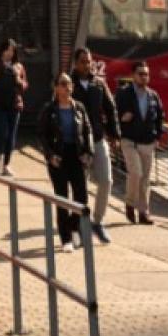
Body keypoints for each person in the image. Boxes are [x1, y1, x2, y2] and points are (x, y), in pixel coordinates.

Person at [37, 73, 93, 253]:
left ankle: (75, 228)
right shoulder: (49, 109)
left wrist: (88, 152)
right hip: (59, 157)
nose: (67, 87)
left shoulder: (79, 108)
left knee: (81, 198)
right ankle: (66, 238)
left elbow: (87, 131)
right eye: (63, 84)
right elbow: (42, 135)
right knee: (62, 197)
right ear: (55, 88)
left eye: (69, 84)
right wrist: (50, 155)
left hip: (77, 156)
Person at [70, 47, 119, 244]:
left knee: (106, 181)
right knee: (80, 187)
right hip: (77, 143)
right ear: (75, 63)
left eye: (89, 61)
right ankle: (80, 224)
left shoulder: (99, 84)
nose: (87, 65)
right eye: (82, 61)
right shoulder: (69, 84)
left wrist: (114, 134)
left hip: (98, 139)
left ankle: (98, 221)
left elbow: (111, 108)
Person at [115, 61, 164, 224]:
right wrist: (122, 119)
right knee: (136, 173)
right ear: (133, 76)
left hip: (148, 142)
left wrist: (158, 137)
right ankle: (130, 203)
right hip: (129, 140)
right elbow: (114, 112)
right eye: (141, 74)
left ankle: (144, 212)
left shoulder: (153, 95)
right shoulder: (123, 93)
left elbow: (160, 117)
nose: (144, 77)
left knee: (145, 180)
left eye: (146, 74)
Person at [0, 38, 28, 176]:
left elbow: (25, 85)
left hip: (14, 105)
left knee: (11, 136)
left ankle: (6, 164)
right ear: (2, 51)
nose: (9, 53)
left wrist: (19, 80)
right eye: (7, 50)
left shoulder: (18, 67)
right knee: (3, 132)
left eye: (12, 51)